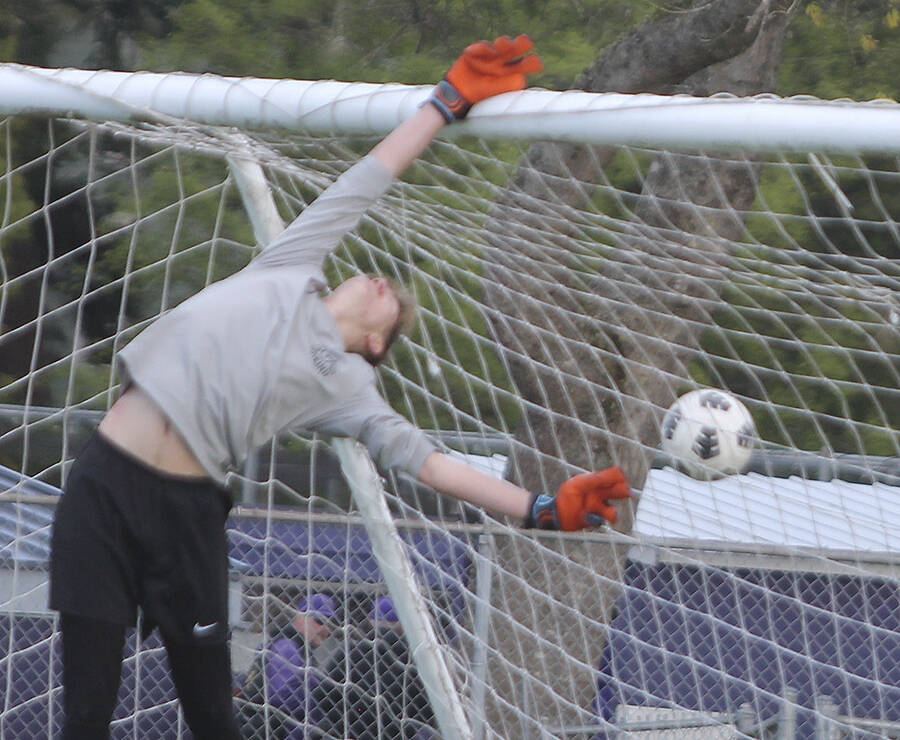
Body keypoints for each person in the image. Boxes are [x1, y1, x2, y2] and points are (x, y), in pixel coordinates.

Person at [49, 34, 633, 740]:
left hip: (186, 517)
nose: (383, 283)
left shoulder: (350, 388)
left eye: (395, 302)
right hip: (103, 485)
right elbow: (372, 174)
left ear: (378, 343)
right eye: (379, 279)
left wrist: (542, 508)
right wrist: (445, 103)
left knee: (212, 715)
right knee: (86, 705)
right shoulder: (292, 266)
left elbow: (432, 464)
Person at [314, 596, 435, 740]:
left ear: (372, 621)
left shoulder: (354, 650)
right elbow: (427, 711)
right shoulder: (416, 660)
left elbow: (323, 694)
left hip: (352, 731)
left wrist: (344, 726)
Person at [239, 594, 336, 740]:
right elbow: (282, 696)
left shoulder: (296, 648)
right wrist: (323, 697)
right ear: (300, 618)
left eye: (331, 623)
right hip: (269, 731)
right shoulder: (287, 647)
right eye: (319, 621)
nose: (325, 629)